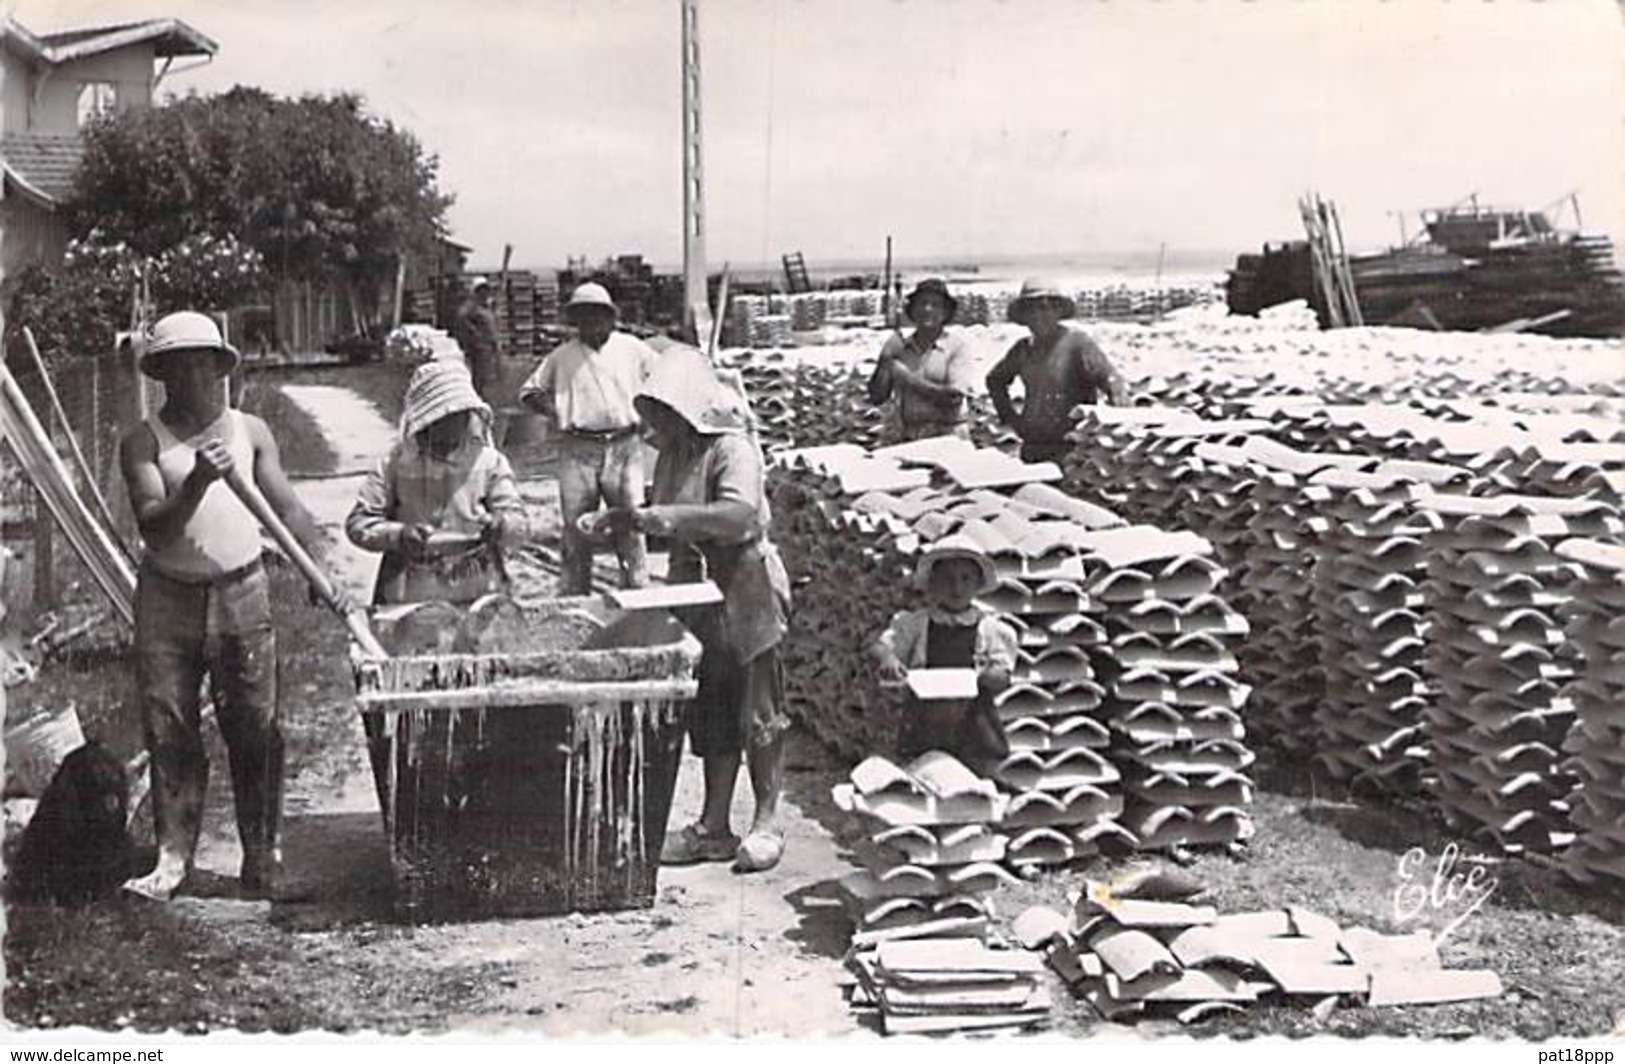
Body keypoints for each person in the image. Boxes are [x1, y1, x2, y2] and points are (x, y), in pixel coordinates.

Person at [119, 311, 347, 902]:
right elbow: (154, 528)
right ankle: (172, 860)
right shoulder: (144, 441)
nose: (196, 376)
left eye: (205, 363)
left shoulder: (251, 431)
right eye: (182, 365)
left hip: (243, 592)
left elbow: (290, 512)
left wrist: (318, 570)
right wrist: (194, 481)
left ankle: (262, 858)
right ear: (162, 374)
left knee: (256, 728)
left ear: (221, 367)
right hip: (168, 599)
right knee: (170, 726)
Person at [589, 346, 791, 873]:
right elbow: (668, 512)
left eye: (665, 410)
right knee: (714, 705)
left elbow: (737, 515)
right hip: (698, 588)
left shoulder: (733, 450)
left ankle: (767, 821)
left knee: (759, 706)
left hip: (745, 580)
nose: (658, 423)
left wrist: (665, 518)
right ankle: (713, 825)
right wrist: (626, 519)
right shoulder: (677, 452)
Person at [345, 360, 531, 606]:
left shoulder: (488, 462)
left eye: (461, 416)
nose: (455, 425)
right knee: (410, 640)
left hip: (476, 579)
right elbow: (359, 523)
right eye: (446, 418)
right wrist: (399, 535)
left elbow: (519, 521)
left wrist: (501, 524)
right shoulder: (396, 464)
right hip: (409, 583)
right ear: (427, 421)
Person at [519, 282, 655, 595]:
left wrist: (650, 416)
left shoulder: (632, 348)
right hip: (577, 448)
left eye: (597, 315)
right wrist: (555, 412)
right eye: (583, 317)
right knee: (577, 525)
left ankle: (637, 587)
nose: (591, 323)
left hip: (625, 445)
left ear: (610, 317)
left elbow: (662, 378)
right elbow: (528, 392)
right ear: (575, 321)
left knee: (632, 519)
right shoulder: (562, 356)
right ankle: (575, 592)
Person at [870, 536, 1015, 774]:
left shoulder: (991, 629)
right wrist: (889, 658)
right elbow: (879, 646)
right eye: (947, 579)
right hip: (926, 721)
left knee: (974, 784)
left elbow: (1003, 677)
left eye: (965, 579)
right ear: (933, 582)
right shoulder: (917, 623)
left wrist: (983, 676)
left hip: (973, 724)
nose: (956, 588)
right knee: (926, 776)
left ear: (978, 583)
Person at [985, 278, 1128, 464]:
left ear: (1058, 311)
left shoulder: (1077, 343)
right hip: (1034, 444)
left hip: (1071, 446)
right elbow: (995, 380)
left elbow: (1111, 380)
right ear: (1024, 315)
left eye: (1046, 308)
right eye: (1032, 309)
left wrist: (1114, 428)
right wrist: (1011, 418)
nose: (1039, 315)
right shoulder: (1022, 349)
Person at [866, 278, 977, 441]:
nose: (927, 309)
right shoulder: (901, 347)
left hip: (948, 436)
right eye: (922, 303)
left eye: (935, 305)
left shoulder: (956, 347)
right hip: (910, 436)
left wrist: (908, 379)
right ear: (913, 310)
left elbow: (953, 399)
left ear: (946, 312)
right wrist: (885, 358)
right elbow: (878, 397)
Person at [451, 276, 502, 406]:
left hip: (490, 346)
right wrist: (475, 334)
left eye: (486, 290)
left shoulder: (486, 307)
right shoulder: (472, 306)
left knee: (490, 376)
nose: (484, 293)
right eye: (481, 290)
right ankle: (476, 401)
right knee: (479, 376)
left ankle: (486, 400)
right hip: (480, 348)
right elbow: (461, 317)